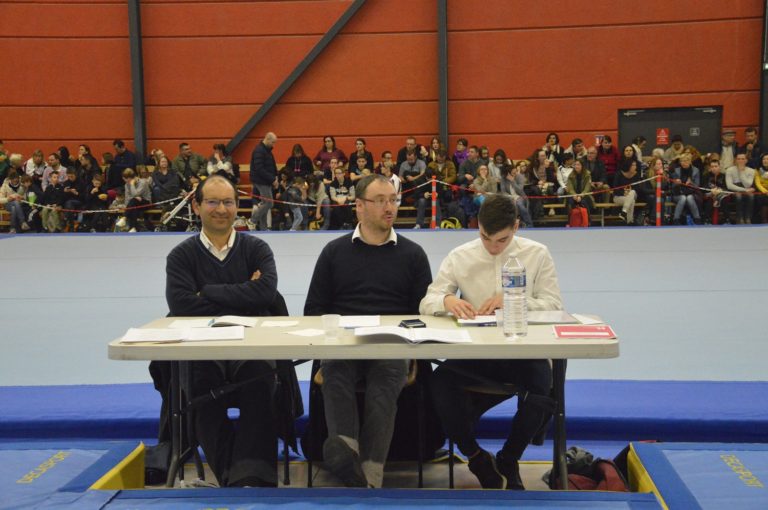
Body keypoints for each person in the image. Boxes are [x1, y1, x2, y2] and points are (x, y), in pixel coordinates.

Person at [419, 193, 562, 490]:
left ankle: (510, 457)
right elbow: (427, 301)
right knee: (438, 383)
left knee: (543, 384)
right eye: (485, 238)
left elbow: (553, 305)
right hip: (476, 353)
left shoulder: (538, 254)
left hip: (521, 352)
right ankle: (475, 456)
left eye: (502, 240)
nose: (493, 247)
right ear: (478, 226)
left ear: (516, 227)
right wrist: (447, 301)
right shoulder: (460, 256)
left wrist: (515, 300)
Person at [304, 174, 432, 488]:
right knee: (335, 374)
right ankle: (347, 452)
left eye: (393, 200)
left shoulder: (413, 255)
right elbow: (314, 310)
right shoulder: (334, 252)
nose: (390, 207)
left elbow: (423, 313)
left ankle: (370, 469)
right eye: (380, 201)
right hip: (343, 344)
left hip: (392, 345)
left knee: (384, 384)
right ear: (359, 206)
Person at [163, 175, 282, 487]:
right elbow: (181, 304)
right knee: (200, 390)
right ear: (196, 206)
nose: (221, 209)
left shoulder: (256, 248)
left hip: (250, 347)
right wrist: (243, 293)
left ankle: (251, 478)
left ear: (237, 206)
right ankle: (240, 480)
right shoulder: (181, 256)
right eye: (212, 202)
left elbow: (265, 294)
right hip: (202, 350)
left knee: (261, 383)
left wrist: (207, 291)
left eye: (228, 202)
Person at [249, 132, 278, 231]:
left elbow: (273, 165)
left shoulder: (267, 151)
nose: (274, 145)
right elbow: (259, 169)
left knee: (265, 203)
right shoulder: (259, 151)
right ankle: (252, 221)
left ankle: (263, 228)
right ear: (267, 139)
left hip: (267, 180)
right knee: (269, 203)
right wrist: (272, 179)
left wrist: (276, 177)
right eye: (273, 142)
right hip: (261, 181)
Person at [670, 154, 702, 224]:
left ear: (690, 161)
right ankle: (676, 219)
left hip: (692, 193)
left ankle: (697, 219)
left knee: (689, 198)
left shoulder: (696, 170)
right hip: (678, 193)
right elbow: (672, 186)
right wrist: (676, 183)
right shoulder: (676, 170)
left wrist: (691, 183)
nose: (683, 163)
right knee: (683, 198)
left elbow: (697, 186)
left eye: (685, 161)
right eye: (681, 161)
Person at [725, 153, 756, 224]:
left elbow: (748, 185)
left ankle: (748, 218)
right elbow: (729, 185)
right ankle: (740, 218)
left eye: (743, 159)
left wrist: (741, 172)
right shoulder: (729, 170)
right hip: (734, 189)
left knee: (751, 196)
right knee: (739, 196)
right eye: (738, 159)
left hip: (746, 188)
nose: (740, 161)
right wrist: (744, 190)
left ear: (746, 160)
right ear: (735, 160)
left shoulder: (751, 171)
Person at [328, 159, 355, 229]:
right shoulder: (333, 184)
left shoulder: (349, 182)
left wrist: (345, 198)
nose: (337, 175)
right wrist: (338, 200)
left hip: (347, 198)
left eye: (339, 173)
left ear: (343, 174)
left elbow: (353, 196)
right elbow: (333, 196)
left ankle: (348, 223)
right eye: (336, 173)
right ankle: (341, 224)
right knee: (336, 208)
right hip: (337, 199)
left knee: (347, 206)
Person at [612, 159, 640, 225]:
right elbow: (615, 189)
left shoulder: (636, 174)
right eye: (633, 165)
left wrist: (629, 192)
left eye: (635, 165)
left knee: (632, 191)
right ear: (628, 166)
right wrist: (623, 193)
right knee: (631, 201)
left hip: (633, 195)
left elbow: (638, 188)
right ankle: (630, 221)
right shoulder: (619, 174)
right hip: (619, 197)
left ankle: (624, 211)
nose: (635, 167)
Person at [123, 168, 151, 232]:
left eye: (128, 180)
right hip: (134, 203)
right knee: (134, 205)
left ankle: (124, 218)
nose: (127, 182)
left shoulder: (143, 182)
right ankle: (133, 229)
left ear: (133, 178)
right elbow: (127, 198)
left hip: (146, 202)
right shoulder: (126, 184)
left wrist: (132, 185)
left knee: (134, 201)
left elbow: (135, 194)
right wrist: (134, 198)